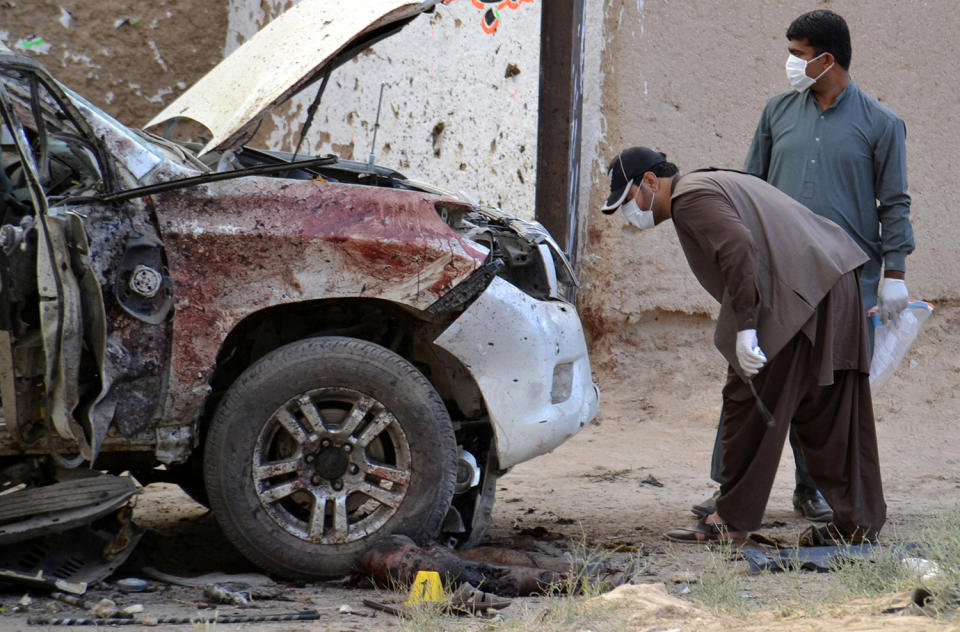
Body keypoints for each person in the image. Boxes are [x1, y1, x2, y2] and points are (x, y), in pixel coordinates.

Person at [694, 9, 915, 524]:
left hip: (843, 283)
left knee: (826, 391)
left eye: (798, 54)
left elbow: (894, 203)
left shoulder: (881, 124)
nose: (790, 64)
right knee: (746, 379)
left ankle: (811, 489)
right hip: (776, 278)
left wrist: (895, 274)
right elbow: (748, 188)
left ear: (827, 59)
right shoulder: (776, 113)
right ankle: (729, 490)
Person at [600, 146, 886, 543]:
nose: (630, 213)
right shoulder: (707, 184)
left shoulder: (690, 198)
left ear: (649, 182)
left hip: (802, 293)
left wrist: (747, 329)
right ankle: (858, 522)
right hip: (832, 283)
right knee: (831, 411)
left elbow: (738, 247)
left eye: (628, 200)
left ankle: (730, 521)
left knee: (750, 400)